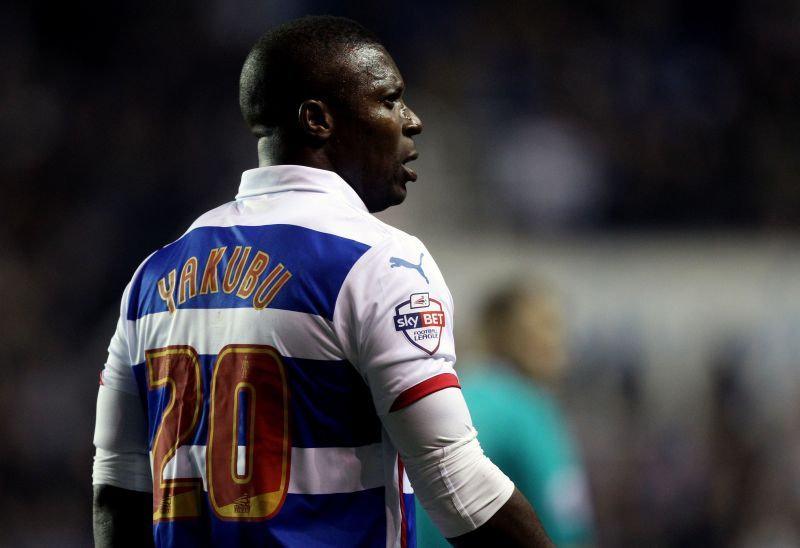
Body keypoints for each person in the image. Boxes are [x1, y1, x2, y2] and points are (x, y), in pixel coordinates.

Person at [92, 15, 552, 548]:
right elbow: (456, 483)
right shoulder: (380, 262)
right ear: (318, 119)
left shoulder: (152, 277)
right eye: (389, 99)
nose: (412, 120)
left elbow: (117, 487)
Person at [417, 284, 594, 547]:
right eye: (543, 325)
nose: (554, 340)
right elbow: (566, 524)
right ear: (501, 334)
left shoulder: (454, 392)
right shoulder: (525, 407)